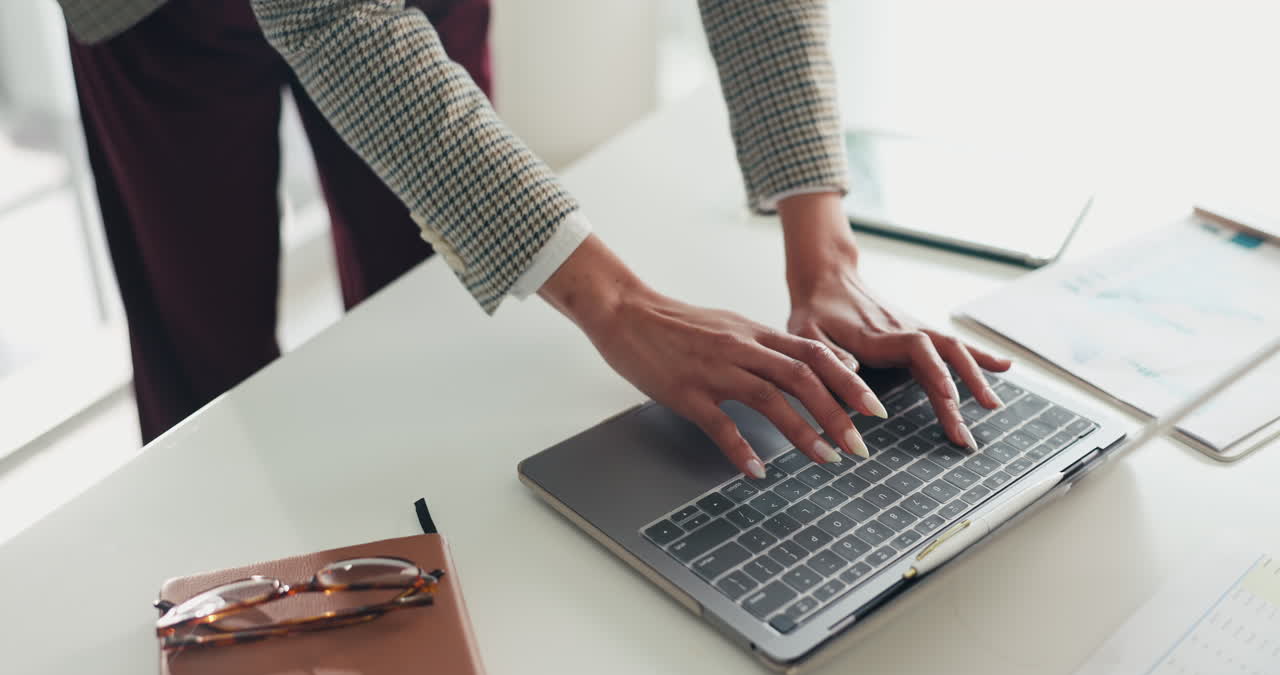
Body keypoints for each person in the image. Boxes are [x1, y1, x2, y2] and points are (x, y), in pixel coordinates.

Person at [57, 0, 1010, 480]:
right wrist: (620, 305)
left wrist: (824, 252)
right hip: (160, 18)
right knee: (205, 353)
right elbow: (325, 11)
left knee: (435, 309)